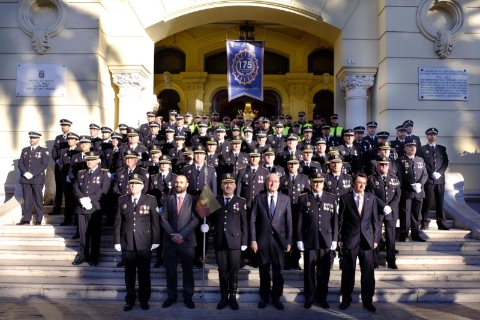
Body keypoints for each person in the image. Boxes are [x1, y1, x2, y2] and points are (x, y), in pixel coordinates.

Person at [114, 175, 160, 311]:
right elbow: (118, 222)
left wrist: (156, 240)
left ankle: (144, 300)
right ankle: (130, 300)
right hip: (127, 242)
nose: (133, 186)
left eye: (136, 184)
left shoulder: (150, 200)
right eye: (131, 184)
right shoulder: (122, 200)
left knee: (144, 274)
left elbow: (155, 222)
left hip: (144, 242)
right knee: (129, 275)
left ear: (142, 186)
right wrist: (117, 240)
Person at [250, 173, 292, 310]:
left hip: (279, 242)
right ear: (265, 182)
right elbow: (252, 221)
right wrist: (253, 240)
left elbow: (289, 222)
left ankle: (276, 298)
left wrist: (288, 241)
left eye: (275, 181)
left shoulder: (285, 199)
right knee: (264, 271)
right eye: (270, 181)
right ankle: (264, 297)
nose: (272, 183)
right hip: (263, 241)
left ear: (279, 184)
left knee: (278, 271)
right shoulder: (258, 198)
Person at [338, 172, 378, 312]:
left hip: (367, 241)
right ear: (353, 183)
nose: (361, 185)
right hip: (350, 239)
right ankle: (346, 300)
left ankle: (368, 300)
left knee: (368, 272)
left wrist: (376, 239)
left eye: (364, 183)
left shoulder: (371, 198)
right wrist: (339, 239)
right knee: (348, 271)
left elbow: (375, 221)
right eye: (359, 182)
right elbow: (340, 220)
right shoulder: (345, 198)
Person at [297, 172, 338, 309]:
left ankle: (322, 298)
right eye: (314, 182)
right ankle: (309, 297)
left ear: (323, 183)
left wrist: (334, 239)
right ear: (310, 183)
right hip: (310, 240)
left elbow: (335, 221)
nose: (317, 184)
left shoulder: (331, 198)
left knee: (323, 272)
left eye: (320, 182)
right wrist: (299, 239)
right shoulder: (304, 198)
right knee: (309, 271)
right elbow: (299, 222)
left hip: (326, 240)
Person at [209, 173, 248, 310]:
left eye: (231, 183)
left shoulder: (241, 201)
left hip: (235, 241)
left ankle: (232, 297)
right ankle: (223, 297)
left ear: (235, 186)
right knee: (222, 270)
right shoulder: (215, 200)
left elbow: (244, 223)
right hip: (220, 241)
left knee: (233, 270)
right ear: (221, 186)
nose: (228, 185)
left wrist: (244, 241)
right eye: (225, 183)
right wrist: (206, 225)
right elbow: (210, 219)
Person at [160, 175, 199, 309]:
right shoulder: (168, 199)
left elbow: (195, 219)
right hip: (170, 242)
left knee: (188, 270)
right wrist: (173, 234)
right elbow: (163, 218)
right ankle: (172, 296)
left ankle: (188, 297)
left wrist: (181, 234)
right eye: (176, 182)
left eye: (181, 182)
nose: (178, 184)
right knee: (170, 270)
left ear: (187, 184)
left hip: (187, 241)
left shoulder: (194, 200)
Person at [72, 151, 111, 266]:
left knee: (94, 234)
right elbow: (75, 188)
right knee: (83, 234)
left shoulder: (104, 173)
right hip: (82, 208)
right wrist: (82, 199)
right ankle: (83, 256)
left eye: (92, 160)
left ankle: (94, 257)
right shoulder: (81, 173)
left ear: (97, 161)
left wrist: (89, 199)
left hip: (95, 208)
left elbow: (104, 189)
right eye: (88, 160)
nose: (89, 162)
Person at [367, 157, 401, 269]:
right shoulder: (371, 179)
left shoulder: (395, 179)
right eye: (381, 165)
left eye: (385, 165)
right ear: (377, 166)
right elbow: (372, 195)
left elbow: (397, 195)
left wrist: (390, 207)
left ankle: (391, 260)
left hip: (391, 213)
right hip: (377, 212)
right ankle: (374, 261)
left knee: (391, 238)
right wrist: (383, 206)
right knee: (376, 237)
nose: (383, 167)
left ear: (389, 166)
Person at [417, 127, 449, 230]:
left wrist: (439, 173)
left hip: (439, 179)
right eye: (430, 134)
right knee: (426, 201)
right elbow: (422, 163)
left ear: (436, 136)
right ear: (427, 136)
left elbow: (445, 162)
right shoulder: (422, 149)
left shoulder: (441, 148)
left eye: (434, 134)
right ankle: (424, 222)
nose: (432, 136)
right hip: (429, 179)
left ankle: (441, 222)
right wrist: (432, 172)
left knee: (440, 201)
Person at [397, 138, 428, 242]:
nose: (412, 148)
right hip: (407, 191)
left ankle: (415, 233)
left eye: (414, 146)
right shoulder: (400, 160)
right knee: (405, 214)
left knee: (417, 214)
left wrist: (419, 184)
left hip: (419, 192)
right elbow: (400, 176)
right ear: (405, 148)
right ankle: (403, 234)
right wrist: (411, 186)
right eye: (409, 146)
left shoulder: (420, 160)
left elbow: (425, 174)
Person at [17, 131, 50, 225]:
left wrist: (33, 174)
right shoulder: (25, 150)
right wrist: (25, 172)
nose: (32, 140)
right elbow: (20, 163)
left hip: (37, 179)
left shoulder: (43, 151)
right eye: (31, 138)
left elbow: (44, 165)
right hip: (25, 179)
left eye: (34, 138)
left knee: (38, 199)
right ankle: (26, 218)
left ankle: (38, 218)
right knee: (27, 199)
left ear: (38, 139)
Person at [50, 119, 72, 215]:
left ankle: (69, 211)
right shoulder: (58, 138)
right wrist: (56, 159)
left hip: (67, 167)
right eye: (62, 125)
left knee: (68, 190)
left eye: (65, 125)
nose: (63, 127)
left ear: (69, 127)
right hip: (59, 166)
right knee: (58, 188)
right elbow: (54, 150)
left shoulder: (72, 137)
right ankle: (57, 209)